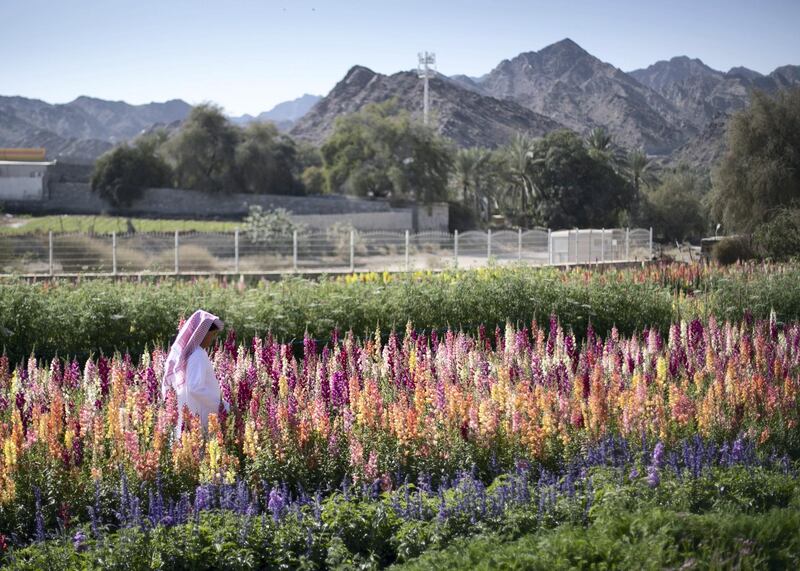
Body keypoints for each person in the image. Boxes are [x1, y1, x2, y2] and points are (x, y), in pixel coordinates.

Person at [162, 309, 225, 432]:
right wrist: (222, 405)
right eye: (212, 335)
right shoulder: (198, 355)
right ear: (202, 333)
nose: (212, 339)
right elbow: (195, 388)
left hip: (190, 413)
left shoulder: (190, 354)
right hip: (200, 415)